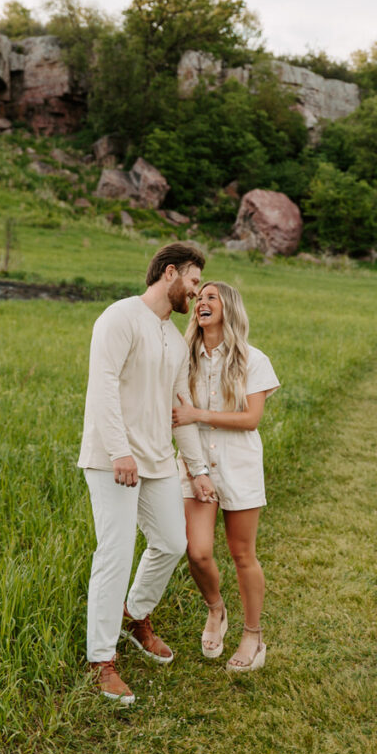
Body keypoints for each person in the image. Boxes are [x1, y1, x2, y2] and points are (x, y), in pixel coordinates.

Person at [78, 243, 215, 705]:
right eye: (194, 282)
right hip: (111, 459)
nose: (197, 295)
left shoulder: (174, 340)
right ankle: (101, 660)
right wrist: (120, 451)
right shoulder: (119, 318)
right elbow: (102, 388)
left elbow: (180, 409)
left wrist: (196, 468)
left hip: (156, 461)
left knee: (173, 542)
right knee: (114, 552)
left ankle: (135, 616)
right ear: (170, 273)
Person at [172, 281, 280, 672]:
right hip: (195, 465)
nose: (201, 302)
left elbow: (251, 419)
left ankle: (253, 635)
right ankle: (216, 609)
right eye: (199, 298)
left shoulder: (254, 360)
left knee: (242, 554)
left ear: (228, 307)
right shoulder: (184, 359)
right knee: (197, 551)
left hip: (239, 466)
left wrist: (198, 415)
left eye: (210, 297)